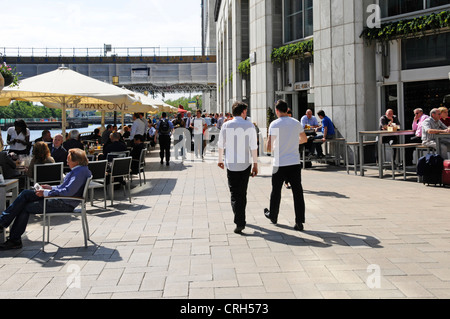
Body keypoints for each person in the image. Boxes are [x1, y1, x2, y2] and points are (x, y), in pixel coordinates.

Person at [0, 148, 92, 250]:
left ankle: (8, 231)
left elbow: (68, 192)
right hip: (62, 200)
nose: (67, 161)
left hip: (64, 203)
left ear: (76, 161)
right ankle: (10, 233)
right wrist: (51, 188)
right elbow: (66, 189)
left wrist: (46, 193)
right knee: (25, 195)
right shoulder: (81, 170)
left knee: (24, 203)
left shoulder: (79, 172)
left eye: (68, 159)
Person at [264, 100, 308, 231]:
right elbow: (304, 139)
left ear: (277, 111)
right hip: (294, 162)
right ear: (287, 109)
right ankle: (299, 222)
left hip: (279, 163)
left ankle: (273, 215)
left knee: (276, 190)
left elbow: (268, 147)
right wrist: (294, 143)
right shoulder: (296, 122)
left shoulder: (274, 124)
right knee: (297, 192)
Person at [218, 101, 258, 234]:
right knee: (243, 192)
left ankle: (239, 220)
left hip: (231, 164)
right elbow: (254, 146)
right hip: (246, 163)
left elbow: (220, 144)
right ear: (243, 112)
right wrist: (256, 164)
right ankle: (241, 219)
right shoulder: (250, 125)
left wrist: (220, 160)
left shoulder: (226, 125)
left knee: (234, 194)